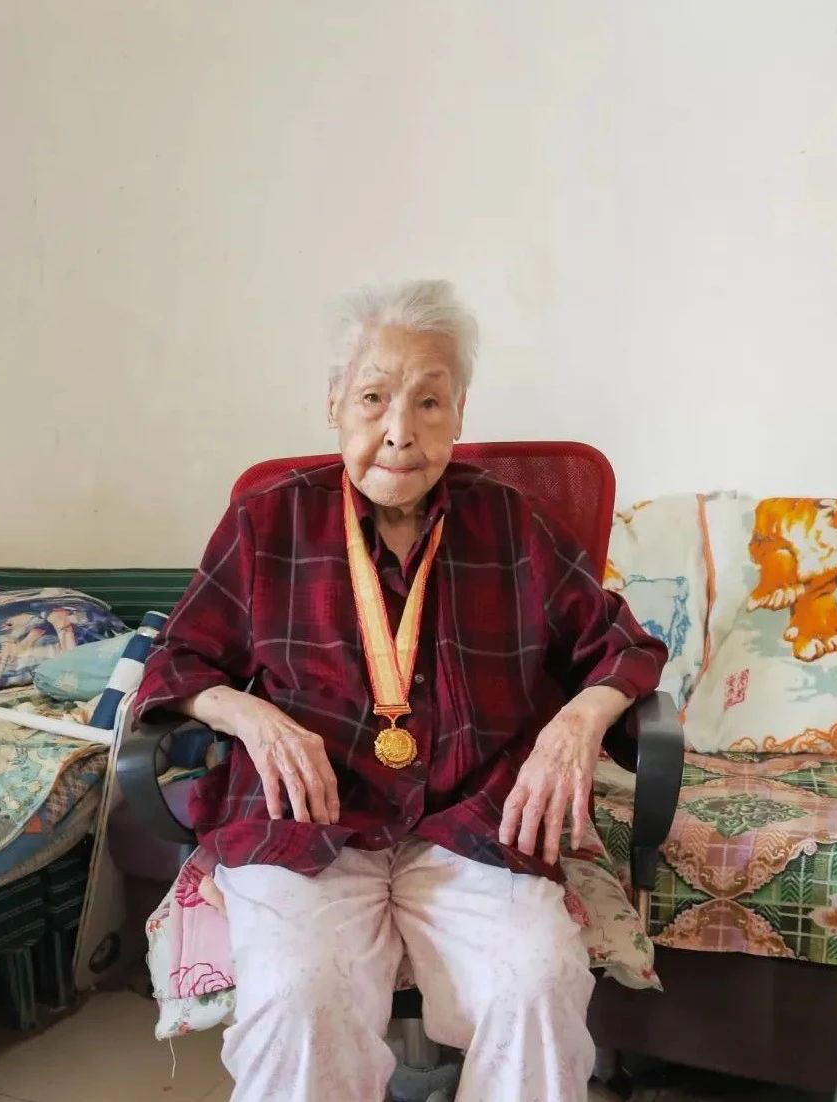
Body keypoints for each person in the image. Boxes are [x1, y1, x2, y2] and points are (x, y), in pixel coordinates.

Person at [134, 280, 666, 1102]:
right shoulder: (268, 523)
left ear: (458, 413)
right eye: (373, 397)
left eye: (428, 402)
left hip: (473, 821)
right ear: (334, 404)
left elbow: (622, 646)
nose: (399, 431)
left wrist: (579, 719)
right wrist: (248, 714)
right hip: (306, 823)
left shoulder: (512, 522)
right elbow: (177, 660)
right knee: (298, 998)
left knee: (535, 983)